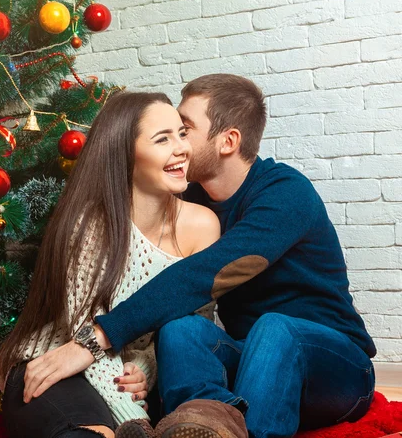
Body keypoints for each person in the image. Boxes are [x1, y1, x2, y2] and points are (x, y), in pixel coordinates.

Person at [23, 74, 376, 438]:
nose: (178, 142)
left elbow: (204, 275)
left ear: (228, 141)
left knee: (275, 327)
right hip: (254, 361)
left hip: (337, 370)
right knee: (182, 328)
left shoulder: (285, 194)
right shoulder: (191, 201)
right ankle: (201, 421)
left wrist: (97, 337)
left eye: (185, 129)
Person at [0, 91, 221, 438]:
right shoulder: (89, 225)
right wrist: (133, 419)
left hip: (129, 381)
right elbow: (81, 335)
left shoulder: (203, 226)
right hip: (56, 364)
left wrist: (145, 369)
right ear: (125, 154)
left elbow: (190, 336)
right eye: (162, 139)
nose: (182, 148)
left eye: (181, 133)